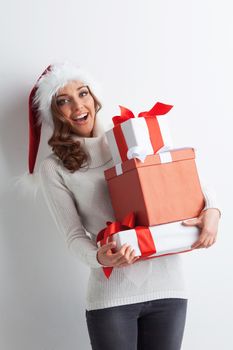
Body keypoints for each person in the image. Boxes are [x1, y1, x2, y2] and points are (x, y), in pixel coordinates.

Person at [27, 62, 221, 350]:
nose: (78, 106)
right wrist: (100, 257)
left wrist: (213, 212)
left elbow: (185, 182)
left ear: (94, 98)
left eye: (83, 93)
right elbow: (73, 236)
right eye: (63, 100)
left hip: (169, 287)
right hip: (112, 296)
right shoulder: (54, 168)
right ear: (55, 112)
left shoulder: (132, 138)